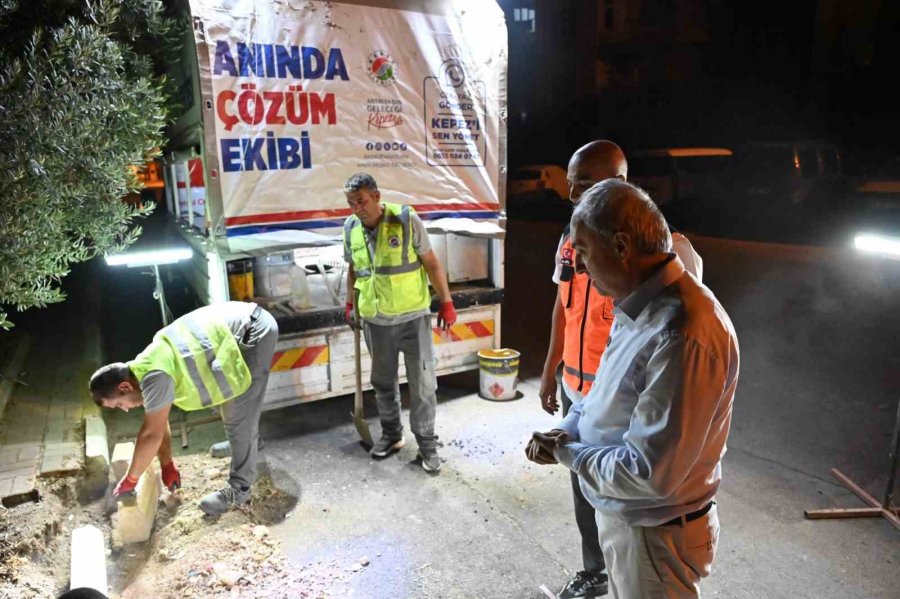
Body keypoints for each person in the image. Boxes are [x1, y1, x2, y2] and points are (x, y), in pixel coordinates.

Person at [527, 180, 739, 598]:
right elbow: (603, 392)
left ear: (622, 246)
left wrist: (567, 453)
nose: (581, 268)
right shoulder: (638, 307)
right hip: (630, 522)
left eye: (586, 253)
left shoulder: (683, 332)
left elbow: (650, 474)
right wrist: (568, 427)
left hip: (655, 536)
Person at [89, 302, 278, 516]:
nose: (124, 410)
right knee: (229, 404)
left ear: (124, 387)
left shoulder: (154, 376)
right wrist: (167, 464)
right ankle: (245, 443)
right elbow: (160, 423)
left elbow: (151, 434)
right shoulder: (143, 369)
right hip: (240, 326)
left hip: (252, 331)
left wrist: (130, 480)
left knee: (238, 414)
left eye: (118, 404)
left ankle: (240, 489)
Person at [342, 172, 457, 472]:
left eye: (362, 201)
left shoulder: (405, 219)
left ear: (377, 197)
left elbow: (431, 262)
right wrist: (351, 303)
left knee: (422, 384)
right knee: (383, 383)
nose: (357, 208)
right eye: (351, 203)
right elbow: (353, 269)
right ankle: (392, 435)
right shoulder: (350, 228)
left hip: (413, 317)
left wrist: (446, 301)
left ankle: (427, 444)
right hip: (376, 320)